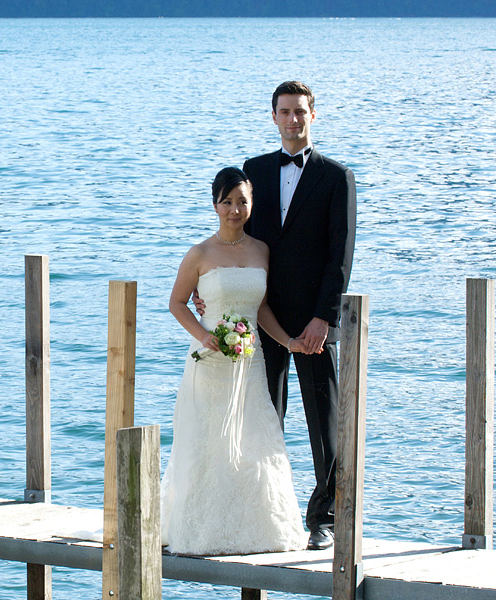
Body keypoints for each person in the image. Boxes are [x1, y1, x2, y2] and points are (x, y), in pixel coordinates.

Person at [194, 81, 356, 550]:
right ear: (273, 116)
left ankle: (324, 518)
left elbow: (340, 257)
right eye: (284, 111)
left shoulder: (336, 177)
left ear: (312, 115)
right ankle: (264, 514)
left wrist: (324, 317)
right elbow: (234, 234)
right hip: (257, 319)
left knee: (324, 422)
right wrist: (211, 288)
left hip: (313, 323)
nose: (292, 119)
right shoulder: (256, 170)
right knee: (263, 418)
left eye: (300, 111)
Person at [160, 166, 306, 556]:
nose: (235, 210)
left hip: (250, 362)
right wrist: (204, 335)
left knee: (254, 438)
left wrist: (288, 341)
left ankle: (257, 529)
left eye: (242, 202)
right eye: (227, 202)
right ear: (215, 205)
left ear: (251, 204)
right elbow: (177, 303)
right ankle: (197, 527)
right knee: (206, 441)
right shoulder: (200, 253)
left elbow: (261, 310)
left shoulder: (261, 251)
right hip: (209, 361)